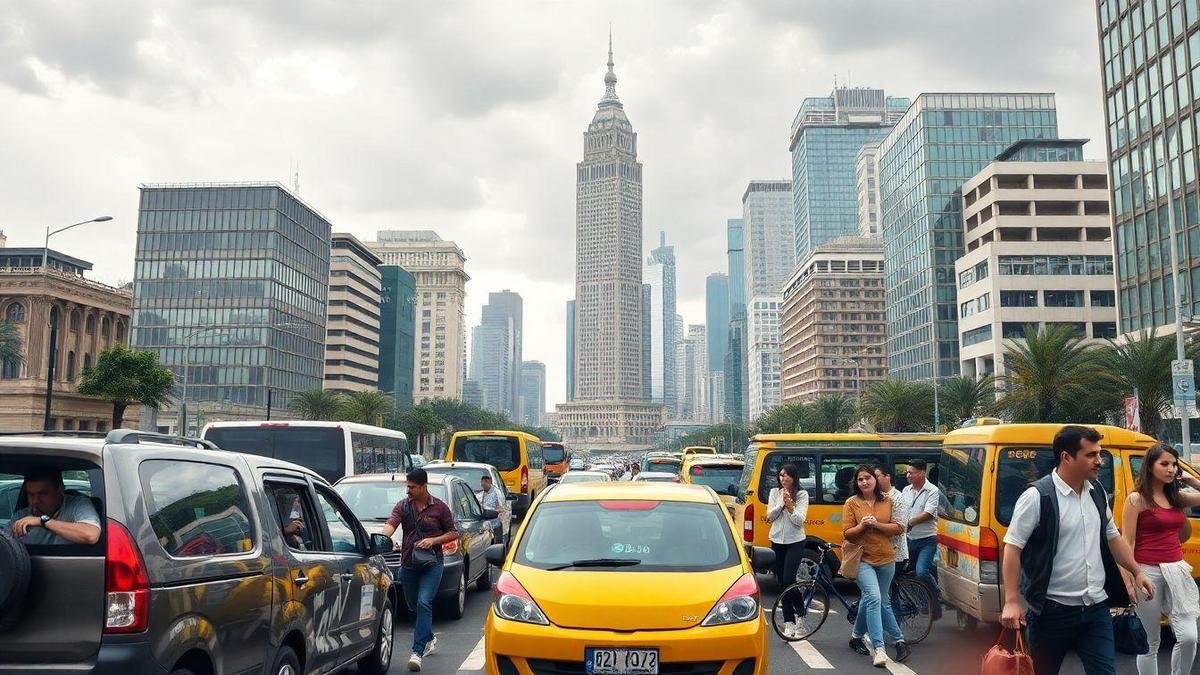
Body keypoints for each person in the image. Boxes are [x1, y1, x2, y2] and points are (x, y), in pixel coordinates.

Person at [1001, 425, 1156, 675]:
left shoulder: (1097, 492)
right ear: (1066, 457)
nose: (1100, 461)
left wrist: (1137, 571)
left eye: (1099, 454)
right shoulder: (1037, 496)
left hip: (1096, 609)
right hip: (1051, 613)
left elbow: (1113, 537)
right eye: (1091, 455)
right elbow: (1012, 548)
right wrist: (1011, 601)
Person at [1122, 443, 1200, 675]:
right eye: (1164, 463)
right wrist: (1130, 580)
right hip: (1147, 572)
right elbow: (1127, 543)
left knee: (1189, 637)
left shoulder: (1177, 498)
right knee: (1150, 642)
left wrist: (1191, 480)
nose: (1170, 468)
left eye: (1174, 464)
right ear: (1149, 467)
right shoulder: (1137, 500)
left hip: (1177, 570)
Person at [382, 468, 458, 672]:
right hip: (407, 564)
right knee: (414, 608)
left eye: (412, 487)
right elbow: (391, 525)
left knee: (424, 603)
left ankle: (417, 652)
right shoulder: (403, 506)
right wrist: (382, 539)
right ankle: (429, 637)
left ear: (423, 486)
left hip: (432, 564)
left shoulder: (440, 508)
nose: (408, 490)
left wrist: (433, 540)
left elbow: (453, 533)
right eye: (407, 486)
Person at [843, 464, 909, 667]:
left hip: (887, 558)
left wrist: (876, 525)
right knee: (873, 598)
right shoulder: (851, 503)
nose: (864, 482)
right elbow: (847, 533)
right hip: (862, 559)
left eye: (868, 478)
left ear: (876, 480)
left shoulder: (888, 501)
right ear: (857, 483)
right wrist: (862, 525)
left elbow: (899, 528)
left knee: (880, 600)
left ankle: (856, 637)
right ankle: (882, 648)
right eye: (860, 479)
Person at [767, 463, 810, 638]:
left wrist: (791, 506)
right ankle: (789, 621)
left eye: (787, 476)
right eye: (781, 475)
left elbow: (799, 521)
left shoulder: (802, 494)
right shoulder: (773, 493)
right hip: (777, 540)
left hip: (795, 541)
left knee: (789, 580)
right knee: (781, 582)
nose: (784, 479)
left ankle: (800, 614)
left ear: (794, 478)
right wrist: (781, 505)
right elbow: (770, 516)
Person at [9, 467, 101, 545]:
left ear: (60, 490)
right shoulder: (22, 517)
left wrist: (42, 521)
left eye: (42, 493)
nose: (35, 501)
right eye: (30, 494)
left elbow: (91, 535)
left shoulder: (77, 504)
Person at [901, 458, 941, 619]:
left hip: (927, 539)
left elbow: (928, 513)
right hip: (909, 539)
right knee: (902, 572)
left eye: (911, 472)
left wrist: (909, 523)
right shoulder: (905, 490)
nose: (908, 475)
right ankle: (925, 602)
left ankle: (936, 593)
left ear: (922, 473)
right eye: (907, 472)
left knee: (921, 571)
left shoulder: (932, 491)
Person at [479, 474, 505, 544]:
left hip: (494, 521)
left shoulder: (497, 493)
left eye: (483, 484)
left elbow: (501, 507)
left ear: (488, 482)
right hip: (483, 520)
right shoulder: (481, 493)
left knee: (496, 543)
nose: (481, 485)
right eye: (481, 483)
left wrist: (496, 513)